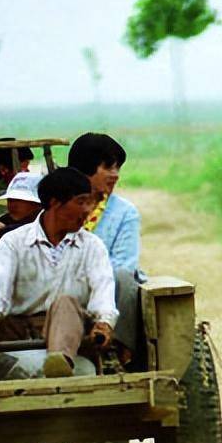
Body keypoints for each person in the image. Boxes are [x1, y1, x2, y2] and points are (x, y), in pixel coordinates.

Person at [0, 168, 117, 382]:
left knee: (66, 302)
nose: (87, 210)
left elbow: (103, 290)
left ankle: (59, 362)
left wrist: (104, 322)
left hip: (69, 327)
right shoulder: (14, 242)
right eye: (81, 202)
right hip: (18, 327)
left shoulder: (92, 246)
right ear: (54, 203)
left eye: (89, 202)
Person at [67, 132, 143, 365]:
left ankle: (118, 351)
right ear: (86, 169)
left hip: (109, 285)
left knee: (123, 276)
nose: (115, 175)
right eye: (108, 168)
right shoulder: (62, 206)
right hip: (65, 284)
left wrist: (89, 277)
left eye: (118, 168)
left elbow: (125, 263)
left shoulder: (125, 212)